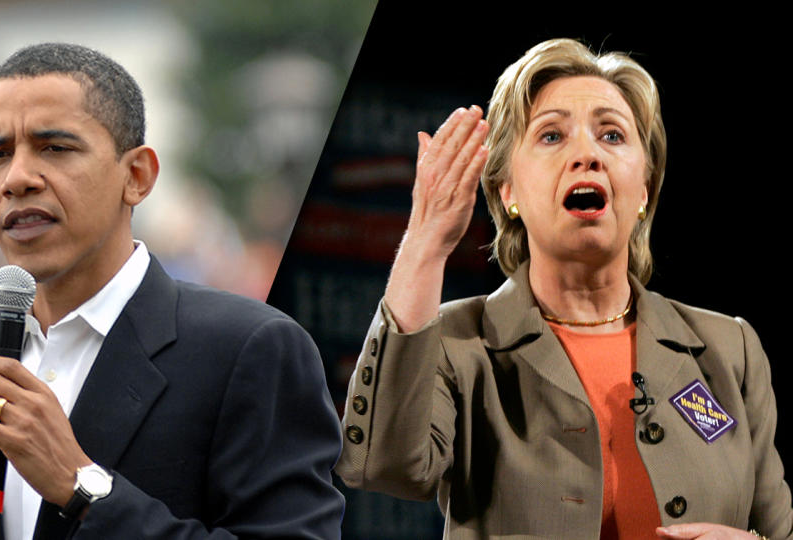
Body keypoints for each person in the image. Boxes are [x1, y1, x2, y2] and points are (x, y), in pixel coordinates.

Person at [0, 43, 344, 539]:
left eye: (55, 148)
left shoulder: (248, 350)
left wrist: (81, 487)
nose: (18, 178)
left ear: (137, 176)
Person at [335, 38, 792, 539]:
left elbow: (775, 530)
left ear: (643, 189)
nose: (587, 155)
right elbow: (382, 463)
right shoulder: (457, 343)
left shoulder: (730, 349)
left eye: (612, 135)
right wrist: (425, 240)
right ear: (508, 191)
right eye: (552, 136)